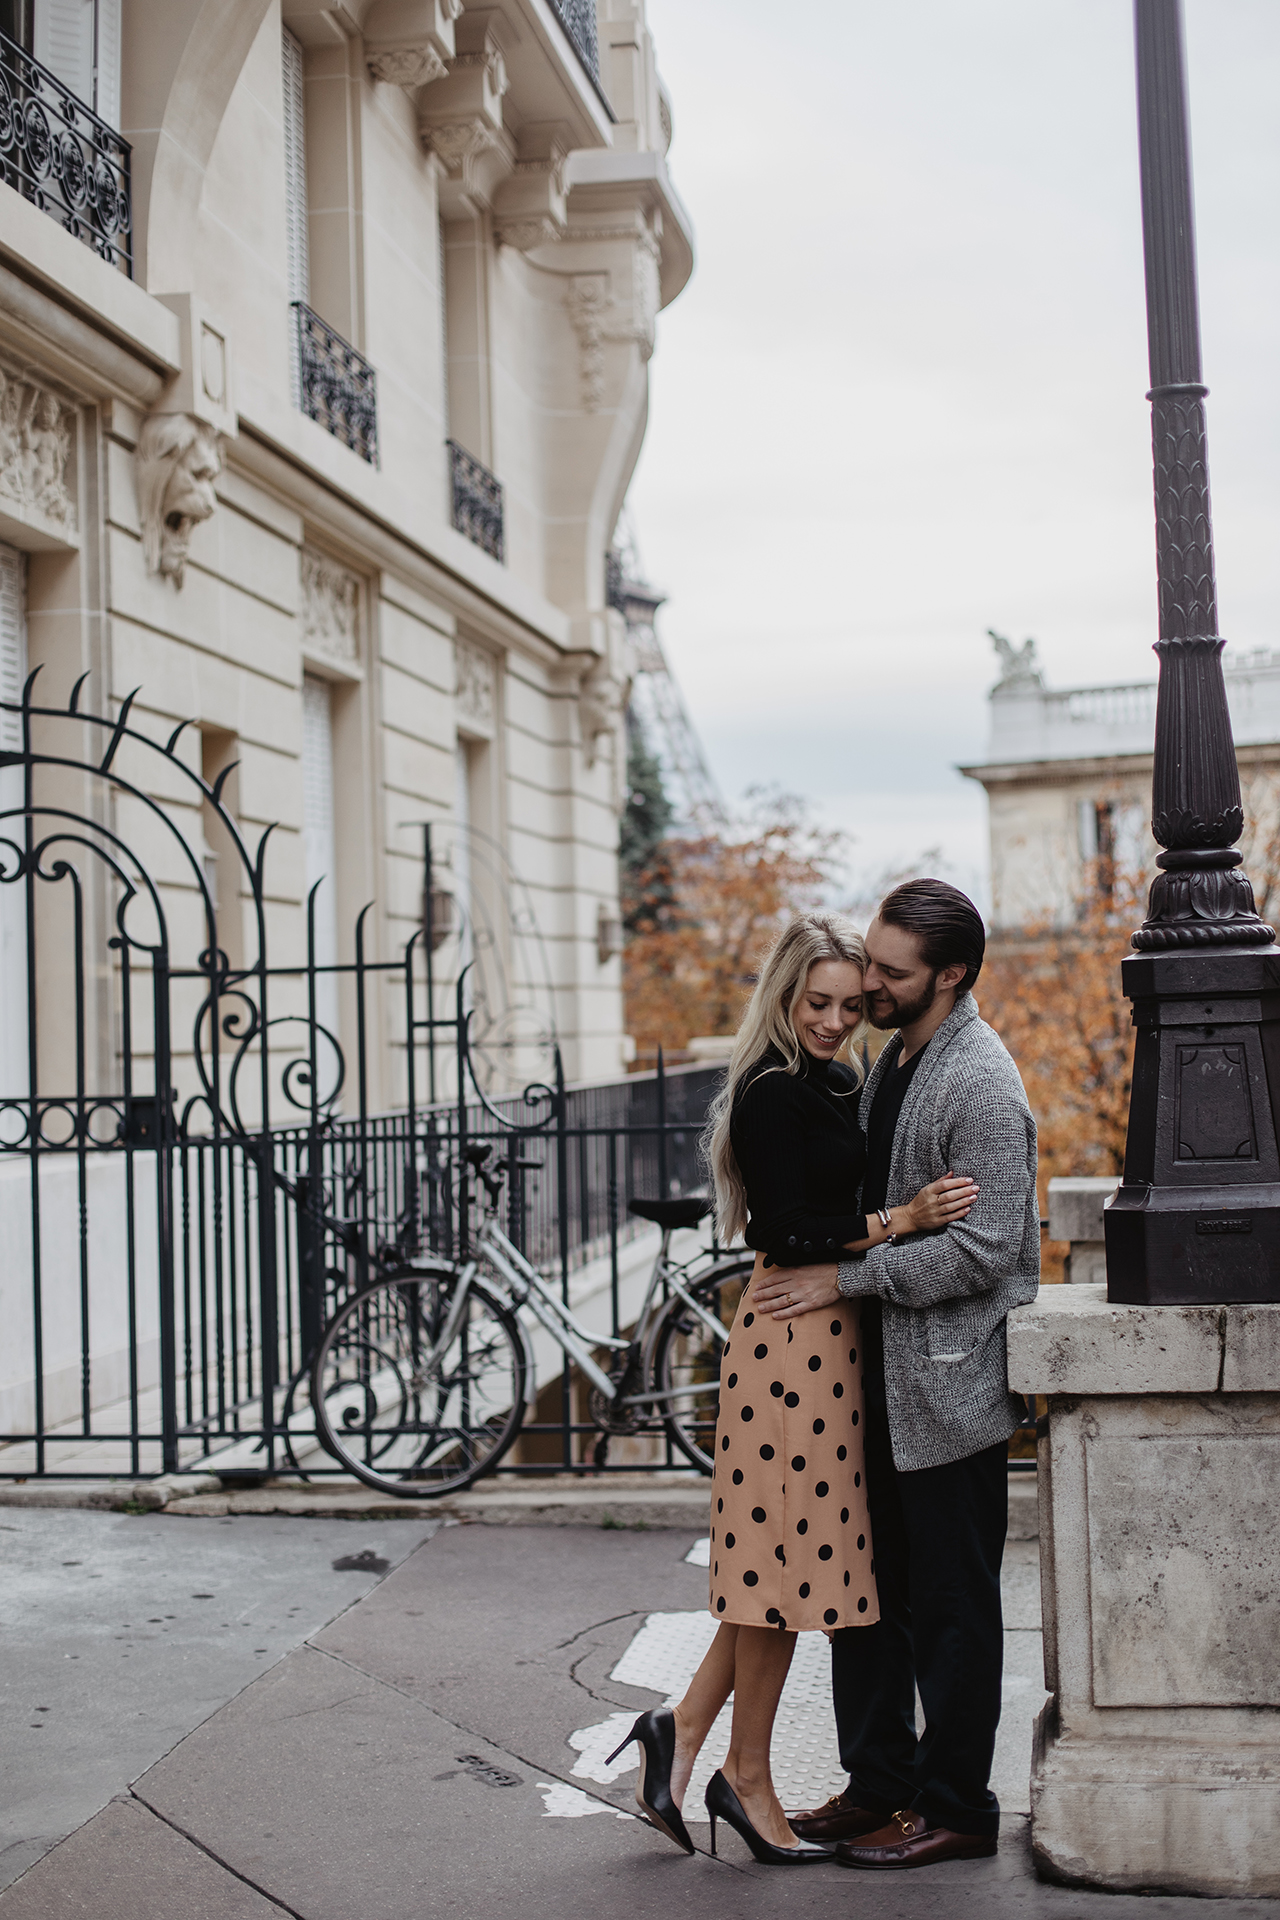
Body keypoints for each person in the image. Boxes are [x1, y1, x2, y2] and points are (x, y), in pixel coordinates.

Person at [607, 911, 977, 1864]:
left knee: (785, 1568)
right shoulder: (771, 1090)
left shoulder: (844, 1078)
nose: (833, 1020)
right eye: (817, 1002)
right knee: (779, 1578)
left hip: (837, 1343)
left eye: (852, 1005)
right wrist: (900, 1219)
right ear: (783, 994)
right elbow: (789, 1227)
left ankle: (680, 1732)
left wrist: (874, 1230)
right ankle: (746, 1777)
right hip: (791, 1347)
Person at [754, 878, 1039, 1872]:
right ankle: (878, 1785)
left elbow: (987, 1250)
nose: (867, 983)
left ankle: (958, 1808)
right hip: (874, 1382)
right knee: (863, 1594)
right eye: (867, 961)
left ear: (948, 977)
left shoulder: (979, 1084)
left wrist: (846, 1278)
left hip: (948, 1392)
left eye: (888, 971)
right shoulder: (892, 1058)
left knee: (952, 1610)